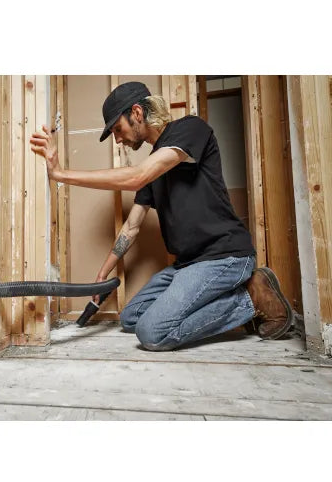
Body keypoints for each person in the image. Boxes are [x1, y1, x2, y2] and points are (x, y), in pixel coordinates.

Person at [30, 81, 293, 351]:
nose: (117, 139)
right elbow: (131, 228)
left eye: (117, 129)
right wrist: (102, 275)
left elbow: (137, 177)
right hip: (186, 265)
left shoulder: (190, 130)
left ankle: (251, 297)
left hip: (223, 256)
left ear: (137, 113)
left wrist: (60, 174)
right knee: (131, 317)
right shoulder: (153, 167)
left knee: (152, 333)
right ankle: (229, 296)